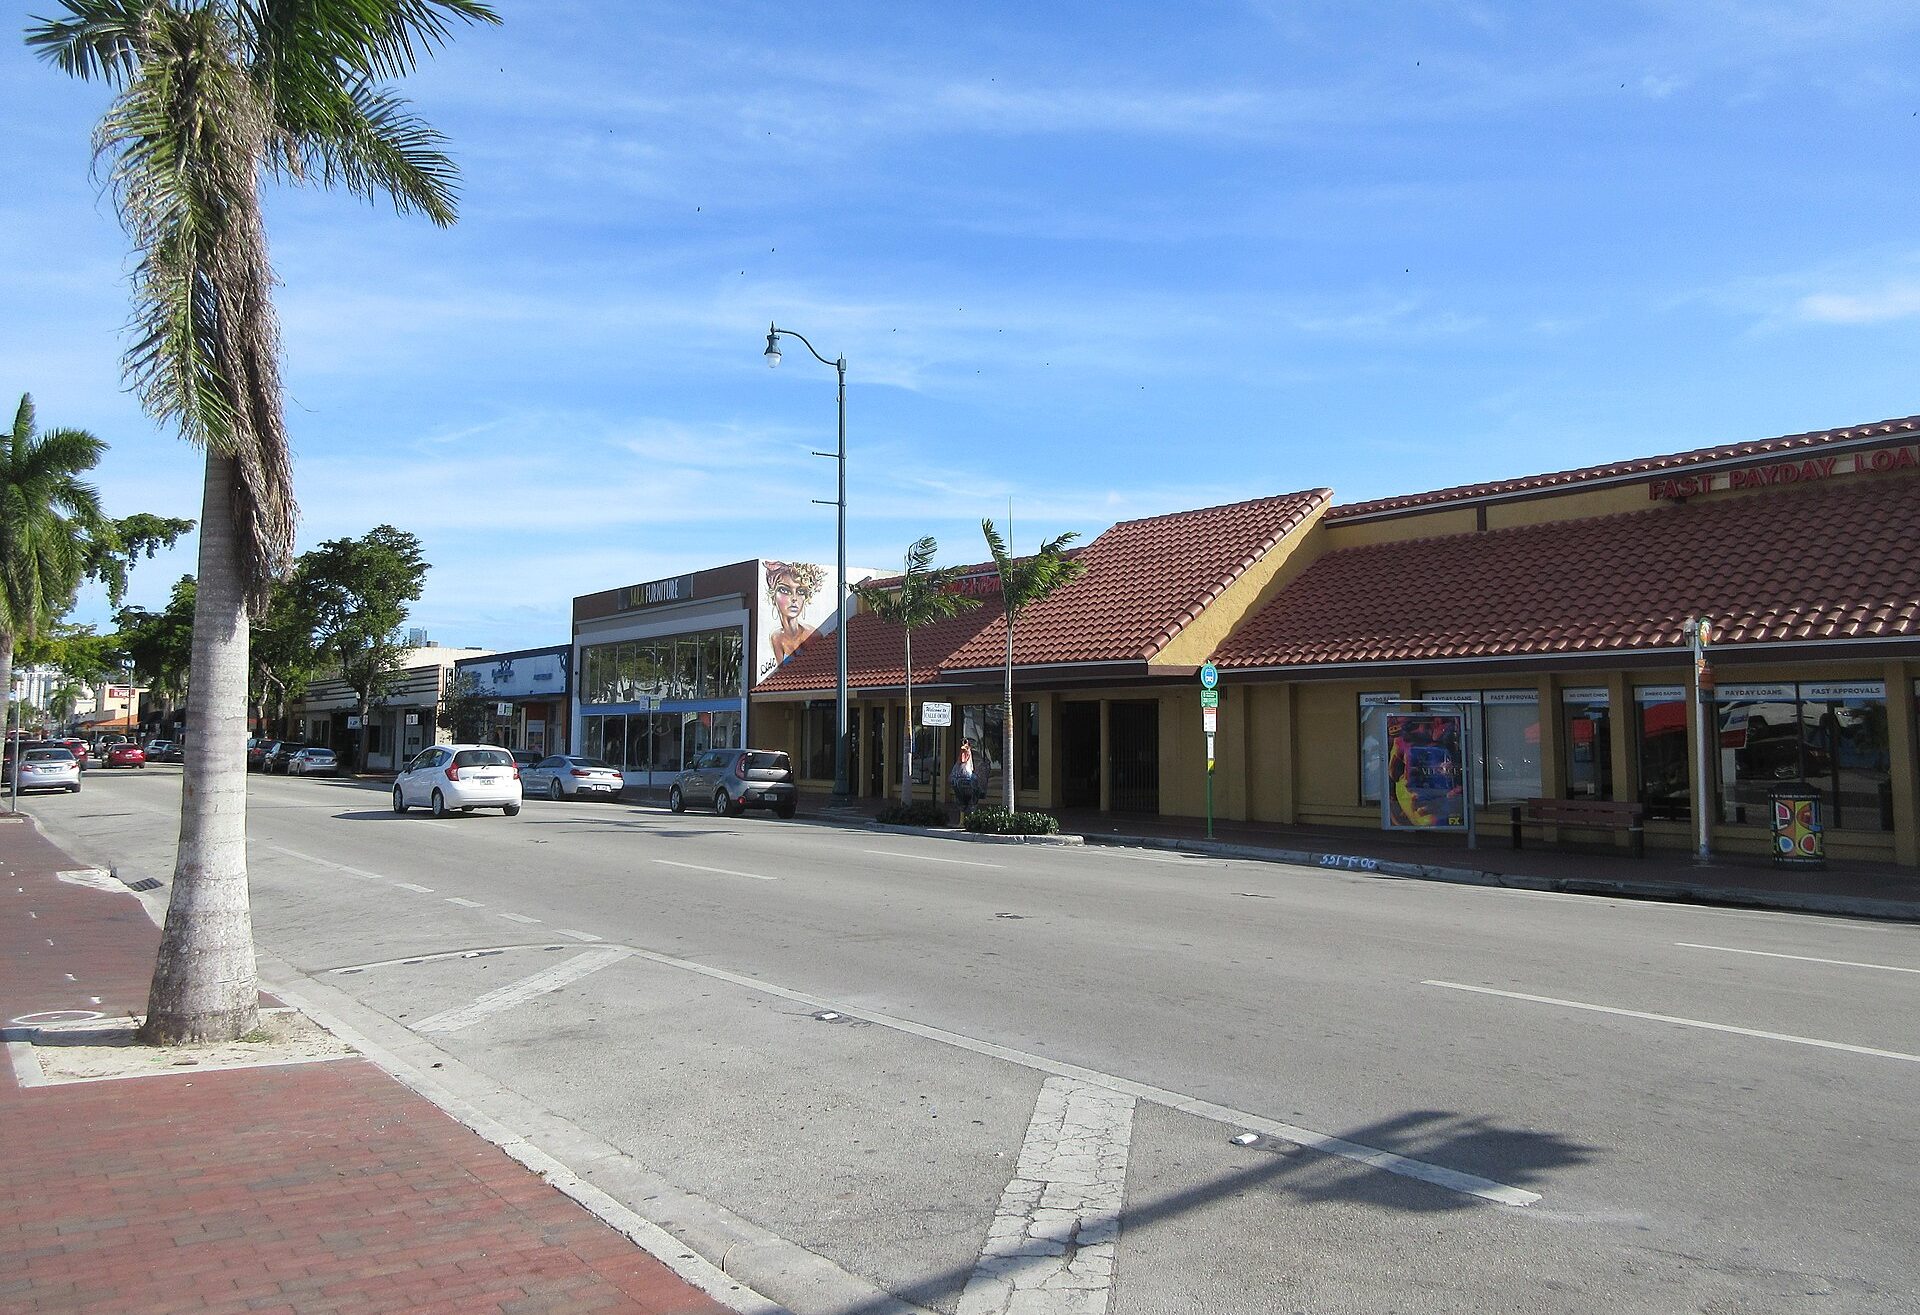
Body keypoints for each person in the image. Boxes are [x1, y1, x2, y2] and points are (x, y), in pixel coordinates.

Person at [949, 740, 989, 810]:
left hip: (968, 775)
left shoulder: (972, 756)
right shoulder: (957, 769)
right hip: (961, 778)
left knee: (974, 783)